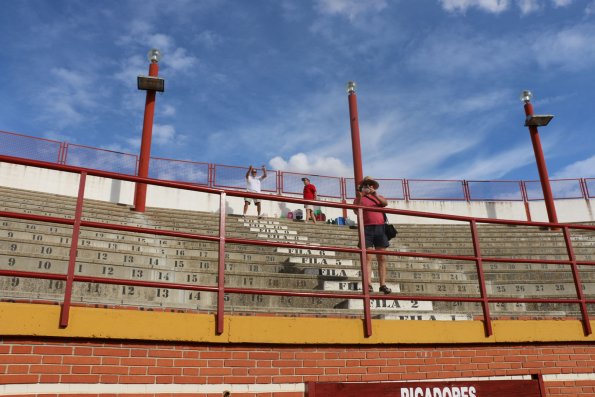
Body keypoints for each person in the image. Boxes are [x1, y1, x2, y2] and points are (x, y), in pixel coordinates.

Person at [353, 176, 392, 294]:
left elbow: (385, 203)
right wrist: (360, 197)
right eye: (365, 185)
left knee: (382, 257)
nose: (368, 187)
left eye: (370, 185)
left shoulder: (379, 197)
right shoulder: (359, 198)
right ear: (362, 187)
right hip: (366, 228)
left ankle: (383, 284)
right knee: (367, 257)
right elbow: (355, 211)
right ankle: (368, 284)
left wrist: (374, 194)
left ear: (373, 186)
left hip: (380, 228)